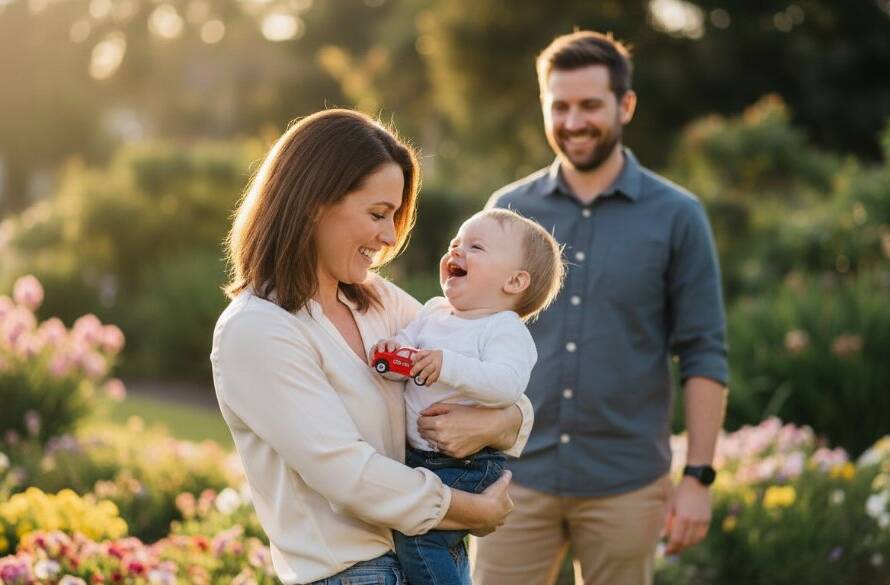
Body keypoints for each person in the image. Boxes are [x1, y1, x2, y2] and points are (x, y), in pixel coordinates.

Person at [210, 109, 535, 585]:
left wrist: (506, 419)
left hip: (426, 559)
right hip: (351, 574)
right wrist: (470, 510)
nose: (390, 237)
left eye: (395, 216)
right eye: (379, 214)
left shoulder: (376, 300)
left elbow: (494, 374)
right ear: (313, 202)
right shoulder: (257, 330)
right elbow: (347, 475)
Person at [473, 31, 729, 585]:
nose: (573, 121)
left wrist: (699, 478)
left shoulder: (677, 216)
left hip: (626, 484)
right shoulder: (507, 211)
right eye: (559, 106)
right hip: (514, 477)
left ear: (626, 105)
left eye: (590, 105)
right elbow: (471, 331)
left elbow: (704, 352)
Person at [369, 208, 565, 585]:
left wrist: (447, 365)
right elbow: (409, 351)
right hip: (421, 457)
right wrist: (393, 353)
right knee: (441, 542)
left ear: (514, 281)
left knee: (421, 541)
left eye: (474, 247)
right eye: (454, 244)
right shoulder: (434, 312)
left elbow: (507, 384)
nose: (456, 251)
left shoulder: (503, 330)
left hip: (466, 464)